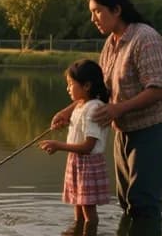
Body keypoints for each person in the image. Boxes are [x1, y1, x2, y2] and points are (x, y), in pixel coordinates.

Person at [52, 0, 162, 219]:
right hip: (123, 129)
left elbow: (158, 88)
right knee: (125, 198)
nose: (93, 18)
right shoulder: (110, 43)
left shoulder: (145, 39)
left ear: (116, 9)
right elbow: (102, 87)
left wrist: (118, 108)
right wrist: (69, 110)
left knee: (143, 201)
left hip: (151, 129)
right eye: (91, 12)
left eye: (97, 11)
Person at [40, 59, 111, 227]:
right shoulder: (80, 105)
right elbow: (78, 133)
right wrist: (64, 122)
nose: (68, 88)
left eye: (71, 84)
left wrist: (58, 146)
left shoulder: (94, 109)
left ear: (86, 86)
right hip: (76, 161)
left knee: (88, 211)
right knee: (77, 207)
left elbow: (88, 146)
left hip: (88, 164)